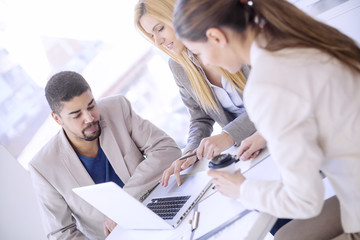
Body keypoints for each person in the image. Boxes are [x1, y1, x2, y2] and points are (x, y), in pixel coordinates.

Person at [173, 0, 360, 239]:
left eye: (198, 53)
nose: (205, 62)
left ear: (216, 37)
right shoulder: (293, 33)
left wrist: (241, 188)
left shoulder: (265, 85)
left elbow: (304, 201)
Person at [28, 71, 181, 239]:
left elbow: (167, 149)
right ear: (57, 119)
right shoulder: (44, 167)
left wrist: (122, 204)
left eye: (91, 105)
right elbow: (61, 234)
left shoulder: (117, 107)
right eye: (77, 115)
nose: (90, 118)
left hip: (163, 212)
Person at [134, 0, 265, 186]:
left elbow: (273, 99)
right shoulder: (179, 66)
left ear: (177, 15)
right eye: (151, 35)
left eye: (160, 28)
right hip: (249, 151)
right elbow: (200, 118)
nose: (158, 41)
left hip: (279, 128)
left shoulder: (227, 35)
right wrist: (190, 152)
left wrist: (229, 135)